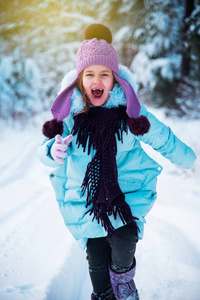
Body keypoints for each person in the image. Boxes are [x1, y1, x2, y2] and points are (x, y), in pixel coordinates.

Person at [37, 24, 196, 300]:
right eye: (89, 74)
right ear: (79, 80)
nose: (96, 80)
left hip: (127, 195)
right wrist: (53, 151)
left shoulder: (131, 112)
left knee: (124, 240)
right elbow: (44, 150)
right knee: (96, 255)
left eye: (104, 74)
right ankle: (104, 294)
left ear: (115, 79)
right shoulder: (70, 115)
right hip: (87, 200)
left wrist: (190, 159)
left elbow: (161, 136)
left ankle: (123, 281)